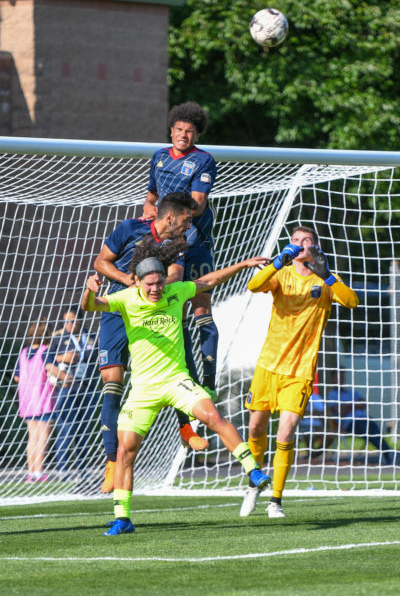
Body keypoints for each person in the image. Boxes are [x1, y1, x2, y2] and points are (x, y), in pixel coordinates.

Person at [81, 239, 272, 536]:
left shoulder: (175, 291)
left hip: (176, 380)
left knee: (212, 415)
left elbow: (210, 280)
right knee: (126, 450)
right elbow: (92, 306)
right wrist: (89, 290)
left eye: (159, 282)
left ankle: (253, 470)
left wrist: (244, 264)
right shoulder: (126, 298)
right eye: (150, 284)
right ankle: (123, 518)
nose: (156, 289)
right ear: (138, 282)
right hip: (143, 389)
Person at [240, 226, 359, 518]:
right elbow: (253, 286)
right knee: (255, 429)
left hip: (301, 372)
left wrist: (327, 274)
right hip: (268, 366)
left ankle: (276, 501)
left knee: (285, 433)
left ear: (315, 247)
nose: (299, 244)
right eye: (295, 240)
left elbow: (352, 301)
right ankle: (254, 485)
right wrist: (276, 262)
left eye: (306, 240)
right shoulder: (281, 274)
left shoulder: (326, 278)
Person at [94, 191, 208, 494]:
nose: (189, 226)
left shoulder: (178, 244)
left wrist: (150, 288)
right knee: (112, 382)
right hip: (118, 310)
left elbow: (176, 276)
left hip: (155, 311)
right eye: (186, 219)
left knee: (177, 368)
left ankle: (186, 429)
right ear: (170, 217)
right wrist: (127, 281)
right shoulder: (130, 228)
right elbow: (101, 262)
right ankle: (111, 462)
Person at [143, 101, 219, 399]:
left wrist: (168, 212)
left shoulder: (203, 160)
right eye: (179, 129)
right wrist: (151, 210)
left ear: (196, 134)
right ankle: (189, 376)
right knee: (176, 309)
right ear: (171, 130)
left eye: (189, 131)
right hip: (168, 244)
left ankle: (210, 380)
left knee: (201, 308)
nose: (183, 135)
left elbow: (197, 205)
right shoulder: (159, 157)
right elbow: (150, 196)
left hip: (196, 242)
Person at [14, 319, 64, 483]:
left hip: (27, 401)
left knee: (32, 437)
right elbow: (50, 368)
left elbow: (17, 377)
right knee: (43, 437)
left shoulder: (24, 352)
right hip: (43, 400)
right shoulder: (45, 351)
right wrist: (66, 378)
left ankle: (31, 473)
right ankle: (39, 472)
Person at [51, 307, 98, 479]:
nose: (69, 324)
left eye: (72, 321)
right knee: (65, 428)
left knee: (83, 431)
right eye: (66, 321)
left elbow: (98, 359)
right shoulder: (58, 338)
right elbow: (47, 359)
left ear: (80, 320)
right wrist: (62, 358)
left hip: (88, 389)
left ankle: (82, 471)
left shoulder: (92, 337)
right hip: (67, 388)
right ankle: (62, 470)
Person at [326, 369, 395, 466]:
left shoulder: (352, 392)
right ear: (333, 379)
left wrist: (348, 405)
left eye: (342, 376)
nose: (341, 379)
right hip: (350, 423)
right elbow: (340, 411)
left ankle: (389, 454)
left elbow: (363, 404)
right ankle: (389, 454)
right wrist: (355, 405)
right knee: (369, 432)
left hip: (365, 418)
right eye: (338, 377)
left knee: (375, 431)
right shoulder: (332, 395)